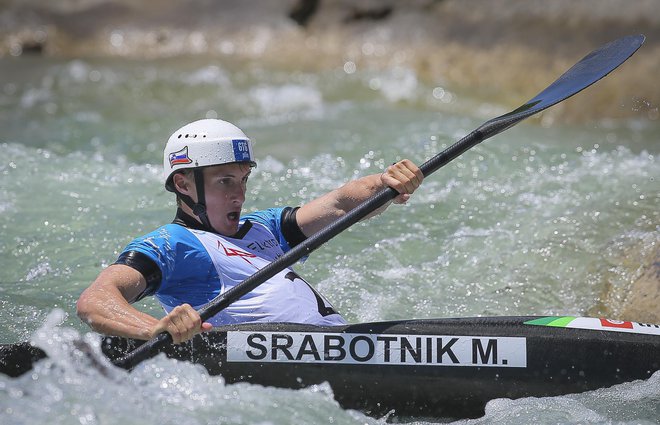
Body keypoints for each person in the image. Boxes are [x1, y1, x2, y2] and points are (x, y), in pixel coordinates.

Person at [76, 118, 423, 344]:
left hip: (343, 344)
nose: (239, 194)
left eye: (243, 180)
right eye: (225, 181)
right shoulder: (173, 243)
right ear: (183, 184)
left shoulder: (265, 228)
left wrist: (385, 184)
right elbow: (94, 301)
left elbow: (343, 204)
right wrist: (152, 329)